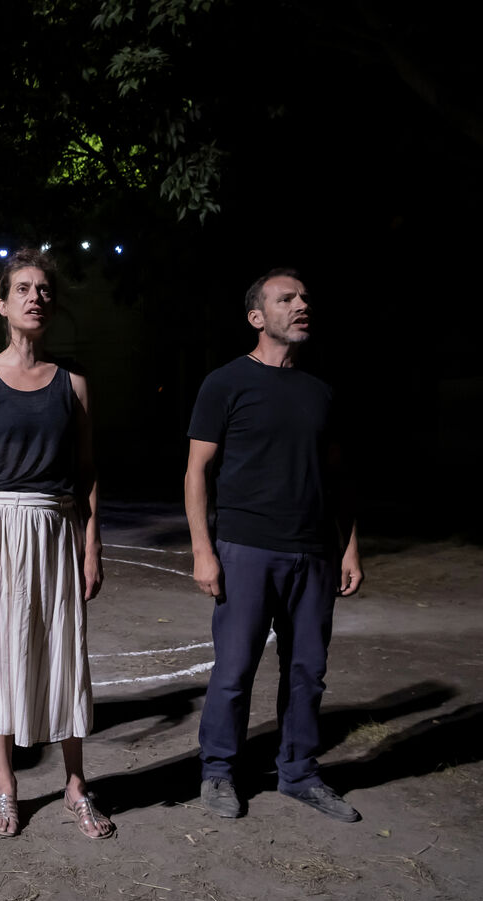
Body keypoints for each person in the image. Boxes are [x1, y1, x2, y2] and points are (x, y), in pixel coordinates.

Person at [185, 268, 363, 822]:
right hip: (246, 549)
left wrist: (349, 547)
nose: (301, 304)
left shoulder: (320, 392)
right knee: (235, 669)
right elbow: (196, 471)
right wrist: (203, 550)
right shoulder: (226, 383)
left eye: (304, 297)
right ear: (257, 317)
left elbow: (338, 478)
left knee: (308, 670)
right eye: (286, 299)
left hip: (314, 552)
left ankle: (299, 773)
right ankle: (218, 771)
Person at [0, 249, 112, 839]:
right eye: (22, 288)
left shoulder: (74, 382)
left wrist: (92, 545)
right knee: (1, 654)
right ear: (2, 304)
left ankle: (76, 785)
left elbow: (88, 470)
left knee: (66, 654)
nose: (35, 297)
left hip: (57, 525)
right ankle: (7, 786)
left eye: (43, 289)